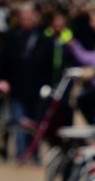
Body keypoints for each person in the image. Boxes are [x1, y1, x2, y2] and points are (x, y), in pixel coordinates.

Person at [0, 4, 55, 158]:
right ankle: (21, 155)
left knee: (34, 123)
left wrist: (48, 86)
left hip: (37, 89)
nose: (26, 22)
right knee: (18, 122)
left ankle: (34, 154)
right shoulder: (12, 36)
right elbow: (4, 61)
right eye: (23, 19)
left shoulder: (45, 39)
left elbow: (49, 66)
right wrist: (3, 81)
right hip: (16, 87)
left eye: (29, 19)